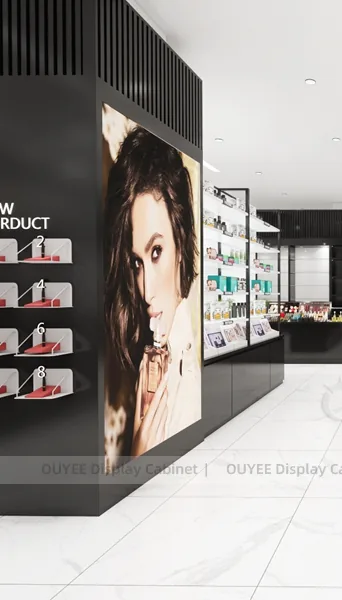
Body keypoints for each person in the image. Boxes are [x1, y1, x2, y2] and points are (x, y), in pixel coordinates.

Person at [104, 125, 201, 461]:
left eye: (156, 251)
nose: (145, 291)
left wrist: (139, 457)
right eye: (136, 262)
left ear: (181, 243)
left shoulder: (188, 388)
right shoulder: (154, 363)